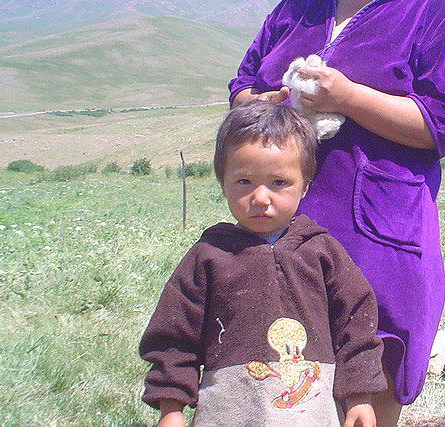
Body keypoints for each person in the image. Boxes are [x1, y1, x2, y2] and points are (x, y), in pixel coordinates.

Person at [228, 0, 445, 426]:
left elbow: (443, 122)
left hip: (378, 228)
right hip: (281, 222)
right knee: (281, 363)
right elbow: (242, 82)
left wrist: (346, 99)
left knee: (374, 361)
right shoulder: (299, 3)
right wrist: (258, 105)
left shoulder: (433, 13)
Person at [139, 100, 387, 427]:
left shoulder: (322, 252)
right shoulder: (208, 257)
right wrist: (170, 410)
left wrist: (359, 397)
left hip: (310, 412)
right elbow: (173, 337)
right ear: (223, 183)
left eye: (278, 182)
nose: (260, 198)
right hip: (228, 410)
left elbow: (356, 324)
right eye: (244, 181)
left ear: (305, 186)